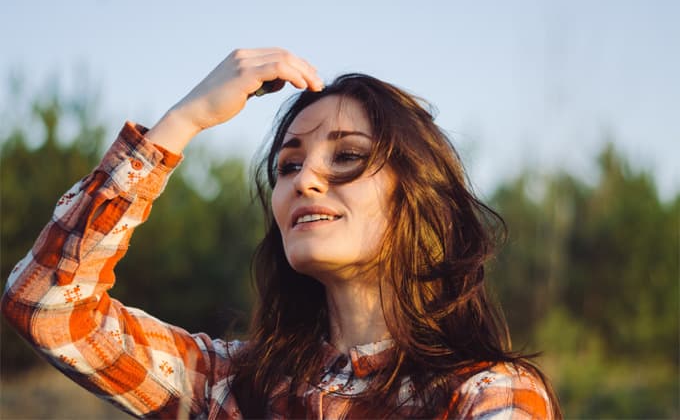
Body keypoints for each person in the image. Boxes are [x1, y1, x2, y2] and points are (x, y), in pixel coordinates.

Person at [2, 48, 561, 419]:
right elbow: (47, 307)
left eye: (346, 156)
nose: (305, 179)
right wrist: (184, 120)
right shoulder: (232, 387)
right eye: (288, 166)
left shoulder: (487, 394)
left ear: (417, 198)